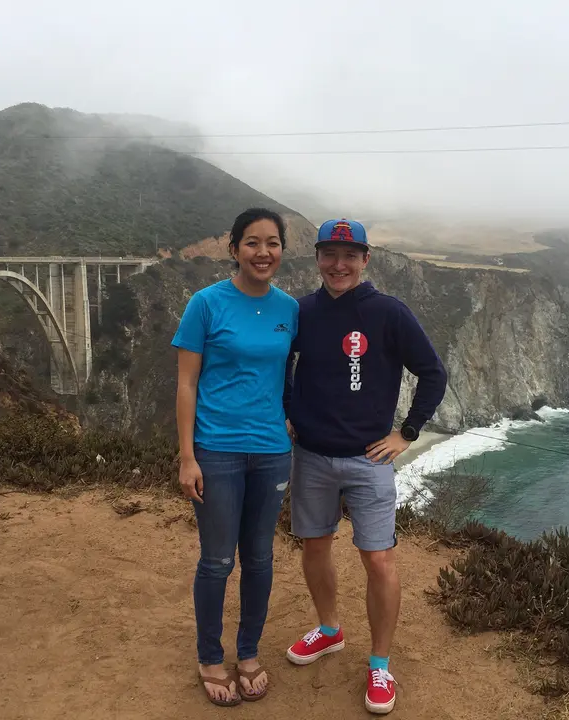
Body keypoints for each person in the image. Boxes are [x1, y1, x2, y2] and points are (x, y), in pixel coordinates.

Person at [283, 218, 447, 715]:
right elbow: (279, 364)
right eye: (330, 254)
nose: (339, 265)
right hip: (310, 456)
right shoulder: (302, 312)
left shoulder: (388, 313)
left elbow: (433, 372)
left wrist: (407, 433)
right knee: (315, 546)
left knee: (378, 559)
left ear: (365, 260)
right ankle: (330, 629)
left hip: (368, 459)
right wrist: (288, 410)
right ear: (317, 258)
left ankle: (380, 664)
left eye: (349, 255)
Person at [172, 207, 299, 707]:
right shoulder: (205, 304)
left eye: (271, 243)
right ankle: (209, 656)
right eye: (252, 243)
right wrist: (187, 456)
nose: (262, 252)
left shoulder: (290, 309)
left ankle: (248, 653)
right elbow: (186, 383)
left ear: (281, 250)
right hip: (217, 450)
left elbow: (296, 374)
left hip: (272, 452)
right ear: (234, 249)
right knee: (218, 560)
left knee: (261, 558)